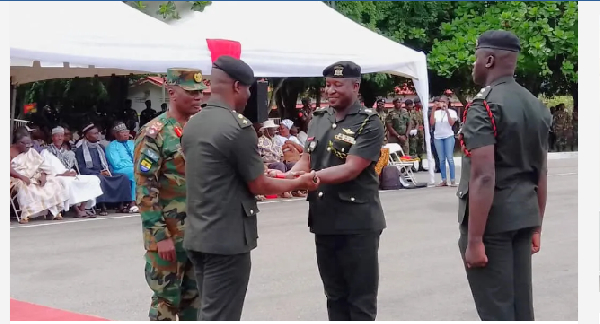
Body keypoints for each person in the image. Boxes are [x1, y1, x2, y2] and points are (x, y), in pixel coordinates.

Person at [181, 55, 319, 321]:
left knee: (208, 309)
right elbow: (258, 184)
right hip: (227, 238)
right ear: (236, 87)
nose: (248, 96)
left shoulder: (193, 125)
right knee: (222, 315)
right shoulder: (238, 127)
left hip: (198, 234)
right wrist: (298, 181)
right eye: (247, 89)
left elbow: (217, 172)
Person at [457, 30, 552, 321]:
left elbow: (484, 176)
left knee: (496, 310)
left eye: (475, 59)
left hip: (492, 224)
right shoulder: (535, 105)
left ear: (488, 59)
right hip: (523, 216)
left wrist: (474, 240)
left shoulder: (483, 105)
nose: (473, 65)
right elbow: (541, 172)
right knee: (521, 308)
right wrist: (536, 226)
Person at [290, 61, 386, 321]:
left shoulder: (369, 122)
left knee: (360, 299)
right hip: (324, 220)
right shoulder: (320, 119)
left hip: (357, 223)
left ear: (355, 86)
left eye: (337, 85)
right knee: (334, 296)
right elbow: (306, 159)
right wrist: (286, 176)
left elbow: (351, 168)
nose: (329, 90)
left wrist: (308, 179)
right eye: (327, 85)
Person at [134, 68, 206, 321]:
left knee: (195, 299)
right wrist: (160, 236)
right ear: (172, 92)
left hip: (198, 232)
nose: (198, 98)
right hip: (169, 235)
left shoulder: (200, 129)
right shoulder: (155, 133)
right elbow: (145, 189)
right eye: (191, 92)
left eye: (200, 92)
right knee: (166, 299)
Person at [43, 126, 103, 218]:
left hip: (68, 174)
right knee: (68, 183)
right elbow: (45, 168)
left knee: (93, 179)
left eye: (61, 136)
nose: (59, 138)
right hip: (55, 176)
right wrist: (62, 174)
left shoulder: (67, 152)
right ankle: (77, 210)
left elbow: (71, 166)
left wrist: (73, 171)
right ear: (52, 138)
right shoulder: (46, 151)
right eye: (57, 136)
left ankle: (83, 208)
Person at [10, 132, 68, 223]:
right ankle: (26, 214)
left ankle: (53, 211)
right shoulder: (10, 152)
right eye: (26, 143)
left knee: (53, 181)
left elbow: (42, 165)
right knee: (24, 186)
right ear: (18, 143)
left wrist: (43, 175)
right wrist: (21, 177)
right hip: (16, 177)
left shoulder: (32, 152)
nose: (29, 146)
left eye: (30, 143)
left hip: (35, 175)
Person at [75, 123, 132, 216]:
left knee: (123, 177)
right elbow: (81, 168)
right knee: (100, 179)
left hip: (105, 172)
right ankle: (102, 206)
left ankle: (121, 205)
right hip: (92, 174)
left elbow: (108, 162)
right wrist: (99, 172)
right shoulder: (80, 149)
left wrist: (107, 170)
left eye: (97, 133)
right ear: (87, 135)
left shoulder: (100, 147)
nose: (97, 135)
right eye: (94, 133)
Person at [106, 122, 139, 213]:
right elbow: (116, 163)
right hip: (119, 170)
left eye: (127, 132)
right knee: (135, 172)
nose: (126, 134)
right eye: (122, 132)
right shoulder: (111, 146)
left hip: (135, 166)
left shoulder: (132, 143)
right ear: (115, 134)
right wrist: (134, 166)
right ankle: (133, 203)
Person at [430, 95, 458, 186]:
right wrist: (433, 109)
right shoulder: (437, 113)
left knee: (449, 158)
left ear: (447, 103)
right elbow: (432, 123)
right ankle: (444, 179)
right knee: (441, 159)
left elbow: (451, 123)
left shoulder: (452, 112)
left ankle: (453, 179)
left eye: (443, 101)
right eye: (440, 101)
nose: (441, 103)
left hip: (448, 136)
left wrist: (447, 112)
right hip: (438, 137)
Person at [408, 99, 425, 171]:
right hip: (414, 133)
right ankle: (411, 167)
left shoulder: (421, 111)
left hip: (421, 132)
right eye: (419, 102)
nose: (420, 104)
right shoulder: (412, 111)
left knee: (420, 149)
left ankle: (420, 165)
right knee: (413, 150)